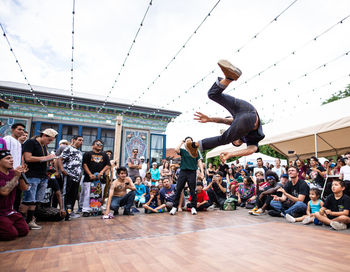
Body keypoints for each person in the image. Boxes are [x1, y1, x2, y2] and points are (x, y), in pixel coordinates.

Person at [184, 60, 265, 162]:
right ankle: (194, 145)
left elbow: (225, 120)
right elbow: (251, 150)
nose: (235, 140)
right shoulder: (251, 140)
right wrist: (231, 154)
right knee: (224, 139)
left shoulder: (237, 126)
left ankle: (229, 77)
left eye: (233, 141)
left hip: (243, 108)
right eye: (236, 142)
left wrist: (210, 119)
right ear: (240, 143)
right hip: (248, 114)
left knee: (212, 94)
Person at [22, 128, 58, 229]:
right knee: (29, 199)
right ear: (44, 135)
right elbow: (28, 158)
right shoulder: (31, 142)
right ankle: (24, 220)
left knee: (37, 200)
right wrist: (45, 158)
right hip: (32, 174)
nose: (49, 142)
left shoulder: (43, 146)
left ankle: (31, 220)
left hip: (42, 175)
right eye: (49, 140)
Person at [169, 137, 204, 215]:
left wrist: (202, 172)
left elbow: (199, 161)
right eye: (187, 141)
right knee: (178, 189)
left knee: (192, 190)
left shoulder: (196, 151)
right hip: (183, 171)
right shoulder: (183, 151)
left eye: (190, 141)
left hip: (192, 172)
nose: (188, 142)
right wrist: (181, 142)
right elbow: (176, 150)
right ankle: (175, 207)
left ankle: (193, 207)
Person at [0, 150, 29, 240]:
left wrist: (20, 176)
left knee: (24, 230)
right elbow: (4, 191)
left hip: (8, 210)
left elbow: (24, 188)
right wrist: (16, 176)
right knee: (11, 234)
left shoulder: (13, 173)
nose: (11, 160)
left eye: (12, 158)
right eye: (8, 158)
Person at [81, 139, 110, 217]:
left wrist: (101, 172)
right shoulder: (87, 154)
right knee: (87, 194)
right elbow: (84, 164)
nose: (99, 146)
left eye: (101, 144)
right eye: (97, 144)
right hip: (89, 178)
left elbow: (107, 165)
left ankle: (97, 209)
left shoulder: (104, 155)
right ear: (93, 145)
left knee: (99, 194)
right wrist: (90, 174)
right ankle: (86, 210)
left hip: (100, 179)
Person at [57, 135, 83, 220]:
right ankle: (64, 212)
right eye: (79, 140)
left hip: (76, 177)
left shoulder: (79, 152)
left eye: (82, 140)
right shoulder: (68, 148)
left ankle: (70, 211)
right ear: (73, 140)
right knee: (66, 194)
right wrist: (62, 170)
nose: (81, 142)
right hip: (68, 175)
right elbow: (60, 159)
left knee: (73, 195)